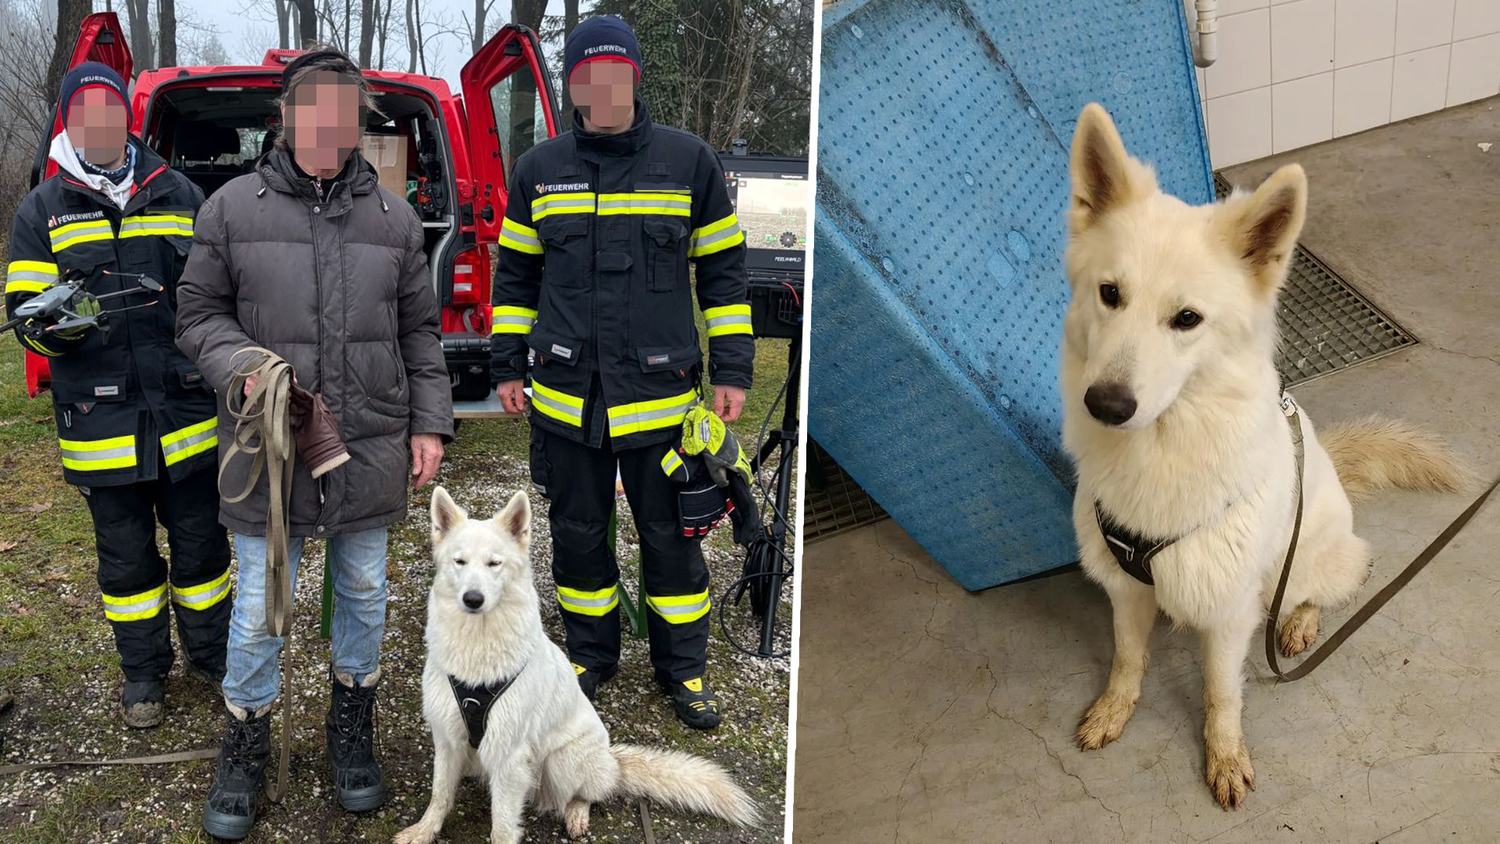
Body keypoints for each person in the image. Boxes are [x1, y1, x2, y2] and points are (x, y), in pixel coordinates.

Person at [175, 48, 453, 840]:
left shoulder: (395, 219)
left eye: (343, 111)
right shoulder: (230, 209)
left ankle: (352, 728)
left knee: (364, 591)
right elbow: (197, 314)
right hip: (269, 449)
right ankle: (246, 739)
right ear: (287, 117)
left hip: (367, 440)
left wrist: (429, 421)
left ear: (359, 122)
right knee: (263, 601)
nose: (327, 126)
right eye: (313, 109)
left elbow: (419, 332)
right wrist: (248, 368)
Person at [491, 15, 754, 730]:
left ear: (635, 78)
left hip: (663, 402)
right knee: (579, 537)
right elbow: (515, 276)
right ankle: (590, 658)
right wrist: (507, 363)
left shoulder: (688, 162)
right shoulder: (538, 170)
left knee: (673, 542)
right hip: (567, 399)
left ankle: (684, 669)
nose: (601, 90)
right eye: (587, 77)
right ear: (572, 85)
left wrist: (731, 370)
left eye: (615, 74)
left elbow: (725, 276)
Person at [3, 62, 230, 730]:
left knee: (203, 552)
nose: (98, 122)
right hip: (100, 423)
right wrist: (52, 326)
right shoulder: (40, 209)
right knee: (126, 561)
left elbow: (214, 295)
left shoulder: (180, 192)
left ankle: (210, 659)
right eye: (85, 111)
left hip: (186, 416)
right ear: (70, 121)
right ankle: (143, 676)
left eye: (108, 108)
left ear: (125, 117)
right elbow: (26, 315)